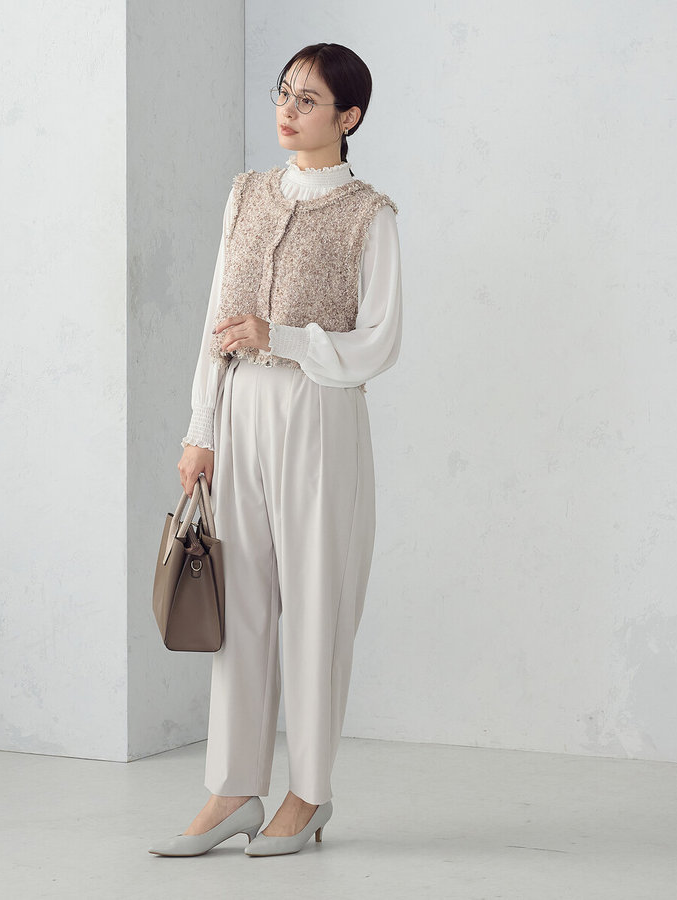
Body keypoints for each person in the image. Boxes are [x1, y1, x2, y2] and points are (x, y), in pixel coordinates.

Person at [148, 42, 402, 858]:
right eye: (284, 92)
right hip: (238, 407)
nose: (288, 110)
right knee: (242, 607)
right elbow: (215, 317)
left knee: (317, 605)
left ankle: (308, 794)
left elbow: (380, 341)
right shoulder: (248, 195)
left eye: (308, 99)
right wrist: (200, 428)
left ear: (349, 116)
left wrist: (283, 337)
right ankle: (234, 789)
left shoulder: (370, 215)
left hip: (319, 411)